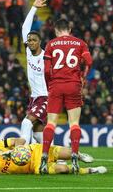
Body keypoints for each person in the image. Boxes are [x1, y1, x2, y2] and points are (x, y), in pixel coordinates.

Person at [39, 19, 93, 174]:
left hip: (56, 85)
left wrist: (50, 84)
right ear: (69, 29)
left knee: (51, 123)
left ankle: (44, 155)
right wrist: (83, 77)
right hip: (73, 84)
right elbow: (89, 61)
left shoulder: (50, 44)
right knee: (74, 123)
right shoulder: (80, 43)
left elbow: (46, 70)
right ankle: (75, 155)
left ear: (56, 30)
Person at [0, 137, 106, 175]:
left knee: (68, 153)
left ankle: (79, 156)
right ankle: (90, 170)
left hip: (35, 150)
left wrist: (15, 151)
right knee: (62, 169)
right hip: (34, 166)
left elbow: (21, 141)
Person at [19, 0, 48, 145]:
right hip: (34, 98)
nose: (30, 42)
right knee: (38, 136)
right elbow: (25, 28)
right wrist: (34, 7)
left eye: (34, 40)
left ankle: (23, 153)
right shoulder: (29, 53)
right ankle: (63, 157)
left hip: (45, 98)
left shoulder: (46, 57)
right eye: (29, 40)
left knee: (26, 123)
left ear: (40, 42)